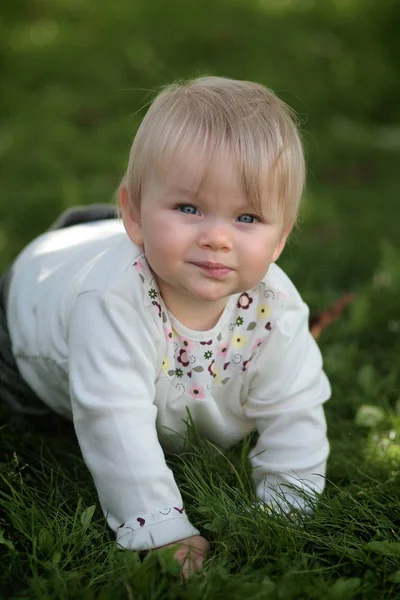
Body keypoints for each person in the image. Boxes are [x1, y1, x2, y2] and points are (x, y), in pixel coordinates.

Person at [0, 76, 331, 578]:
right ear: (133, 213)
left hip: (116, 246)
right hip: (28, 312)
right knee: (37, 418)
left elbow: (296, 407)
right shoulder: (112, 303)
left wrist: (287, 507)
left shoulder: (276, 309)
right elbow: (112, 417)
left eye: (247, 217)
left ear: (281, 238)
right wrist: (159, 527)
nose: (217, 237)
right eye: (189, 208)